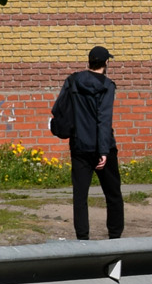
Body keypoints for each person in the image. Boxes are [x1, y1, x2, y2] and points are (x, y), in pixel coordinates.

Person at [52, 46, 124, 239]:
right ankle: (115, 237)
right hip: (104, 147)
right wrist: (103, 151)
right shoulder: (107, 86)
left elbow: (58, 107)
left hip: (79, 145)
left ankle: (83, 239)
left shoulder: (73, 81)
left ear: (89, 62)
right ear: (106, 63)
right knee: (113, 195)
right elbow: (103, 118)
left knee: (80, 197)